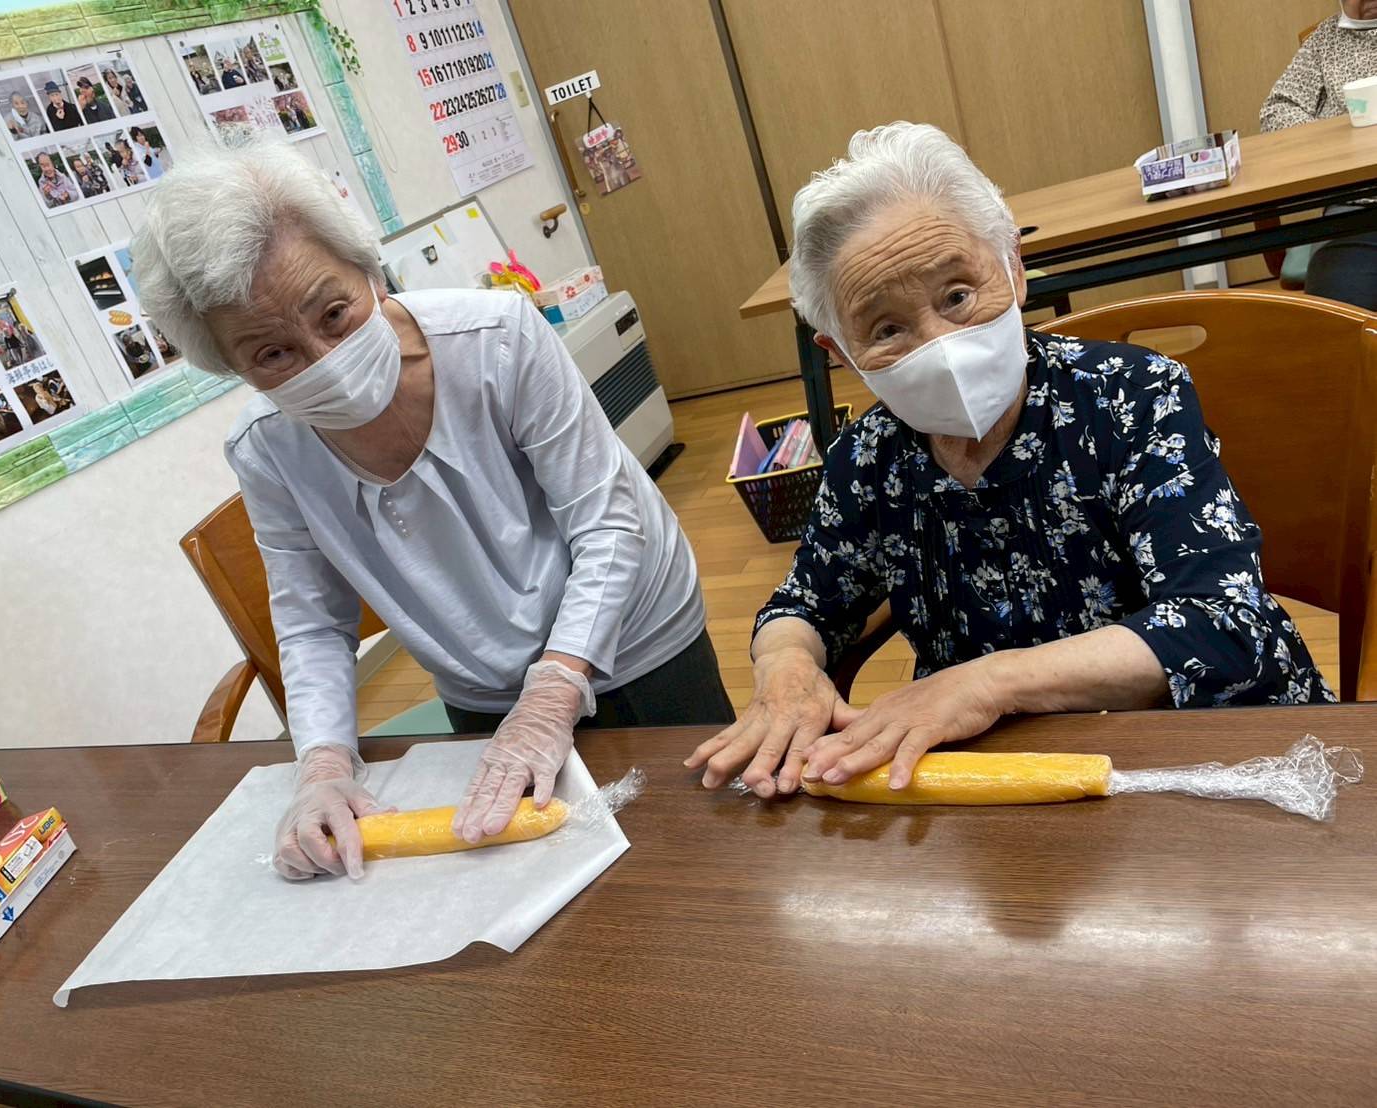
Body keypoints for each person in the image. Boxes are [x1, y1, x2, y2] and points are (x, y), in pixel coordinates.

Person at [134, 141, 731, 881]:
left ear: (370, 270)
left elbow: (606, 522)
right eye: (271, 354)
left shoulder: (498, 341)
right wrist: (323, 765)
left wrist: (552, 694)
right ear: (230, 366)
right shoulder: (267, 449)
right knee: (534, 882)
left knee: (702, 858)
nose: (322, 358)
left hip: (637, 639)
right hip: (481, 688)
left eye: (334, 313)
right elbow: (313, 622)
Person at [687, 122, 1332, 800]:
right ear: (840, 353)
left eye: (957, 295)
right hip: (1000, 777)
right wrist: (786, 668)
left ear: (1014, 268)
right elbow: (805, 603)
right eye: (886, 329)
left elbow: (1221, 623)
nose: (939, 344)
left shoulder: (1131, 395)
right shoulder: (866, 459)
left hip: (1208, 755)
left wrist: (986, 683)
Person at [1261, 2, 1377, 308]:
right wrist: (1341, 138)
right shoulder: (1325, 41)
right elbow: (1276, 112)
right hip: (1356, 209)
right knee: (1340, 310)